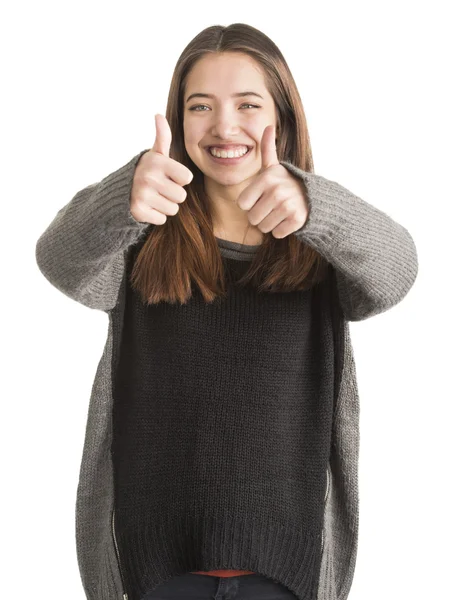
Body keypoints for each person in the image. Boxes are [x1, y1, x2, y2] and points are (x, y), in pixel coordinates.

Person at [35, 22, 419, 600]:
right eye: (200, 106)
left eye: (248, 104)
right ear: (178, 119)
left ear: (282, 118)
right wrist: (124, 196)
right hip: (154, 569)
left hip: (286, 571)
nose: (224, 126)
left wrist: (314, 204)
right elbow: (58, 260)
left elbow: (398, 272)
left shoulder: (320, 246)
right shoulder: (141, 238)